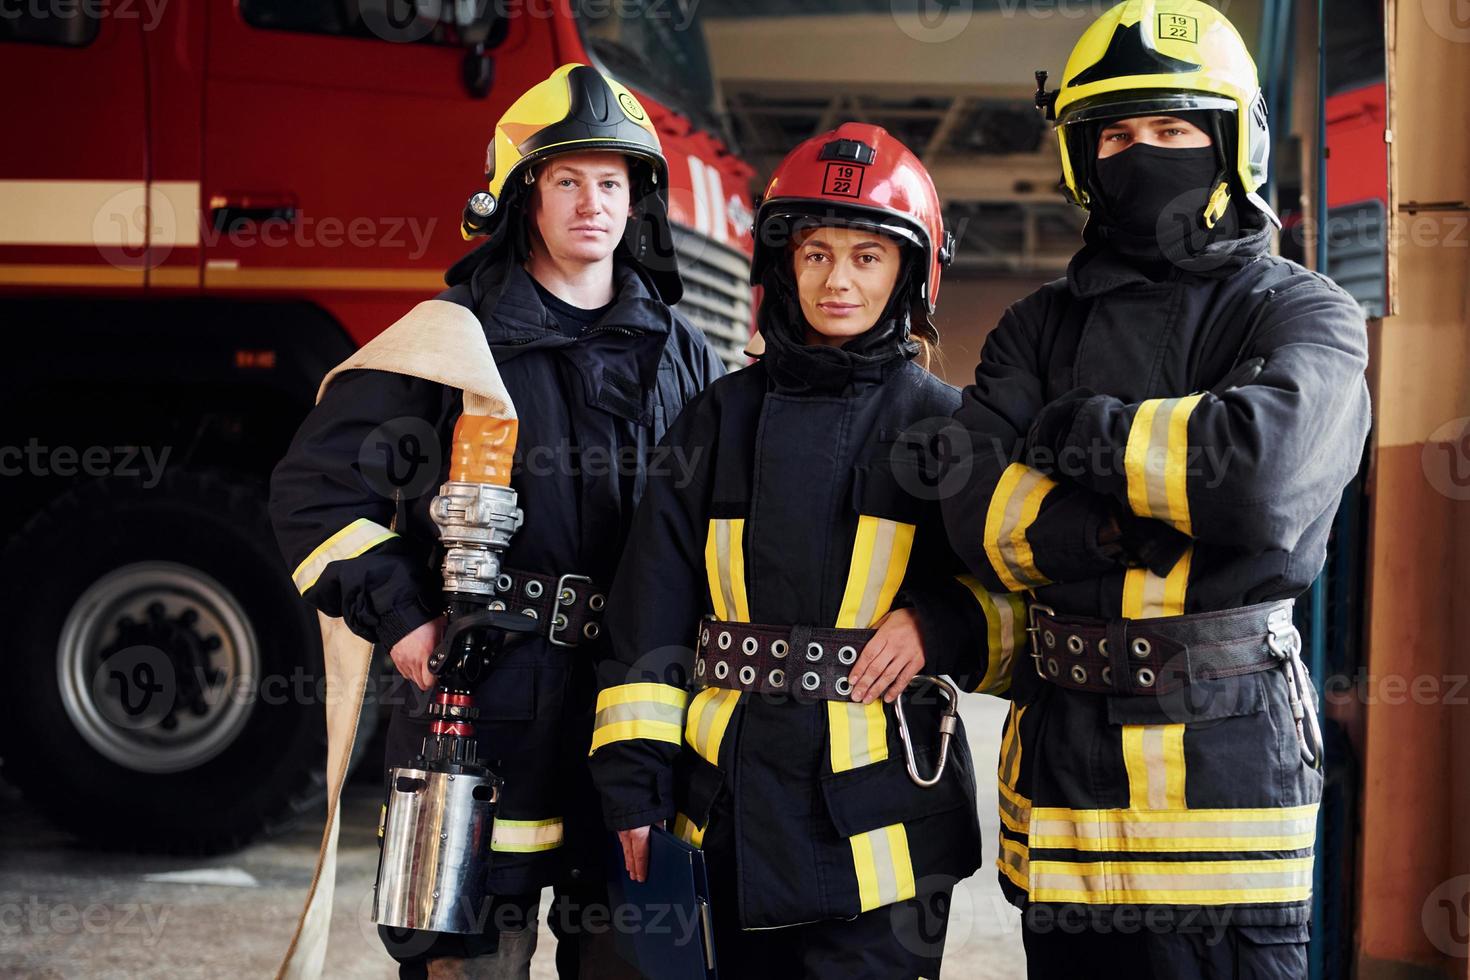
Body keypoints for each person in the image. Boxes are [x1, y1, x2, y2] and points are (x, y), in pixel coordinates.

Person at [940, 2, 1371, 976]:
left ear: (1230, 145)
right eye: (1117, 134)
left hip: (1228, 804)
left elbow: (1260, 479)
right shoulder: (1034, 326)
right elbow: (968, 504)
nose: (1142, 152)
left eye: (1173, 129)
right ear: (1079, 158)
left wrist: (1073, 430)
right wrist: (1115, 530)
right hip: (1062, 804)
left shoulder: (1304, 308)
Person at [269, 63, 725, 979]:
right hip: (481, 701)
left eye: (611, 181)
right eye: (566, 180)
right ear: (522, 196)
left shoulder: (685, 354)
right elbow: (316, 491)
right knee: (466, 961)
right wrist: (403, 619)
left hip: (629, 714)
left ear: (638, 198)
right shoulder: (447, 341)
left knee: (634, 959)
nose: (592, 204)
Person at [588, 122, 1022, 978]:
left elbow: (1017, 598)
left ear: (911, 271)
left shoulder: (948, 426)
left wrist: (940, 624)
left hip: (885, 837)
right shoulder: (717, 419)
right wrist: (632, 786)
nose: (837, 280)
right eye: (817, 253)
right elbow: (649, 612)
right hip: (724, 814)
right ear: (782, 265)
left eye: (867, 256)